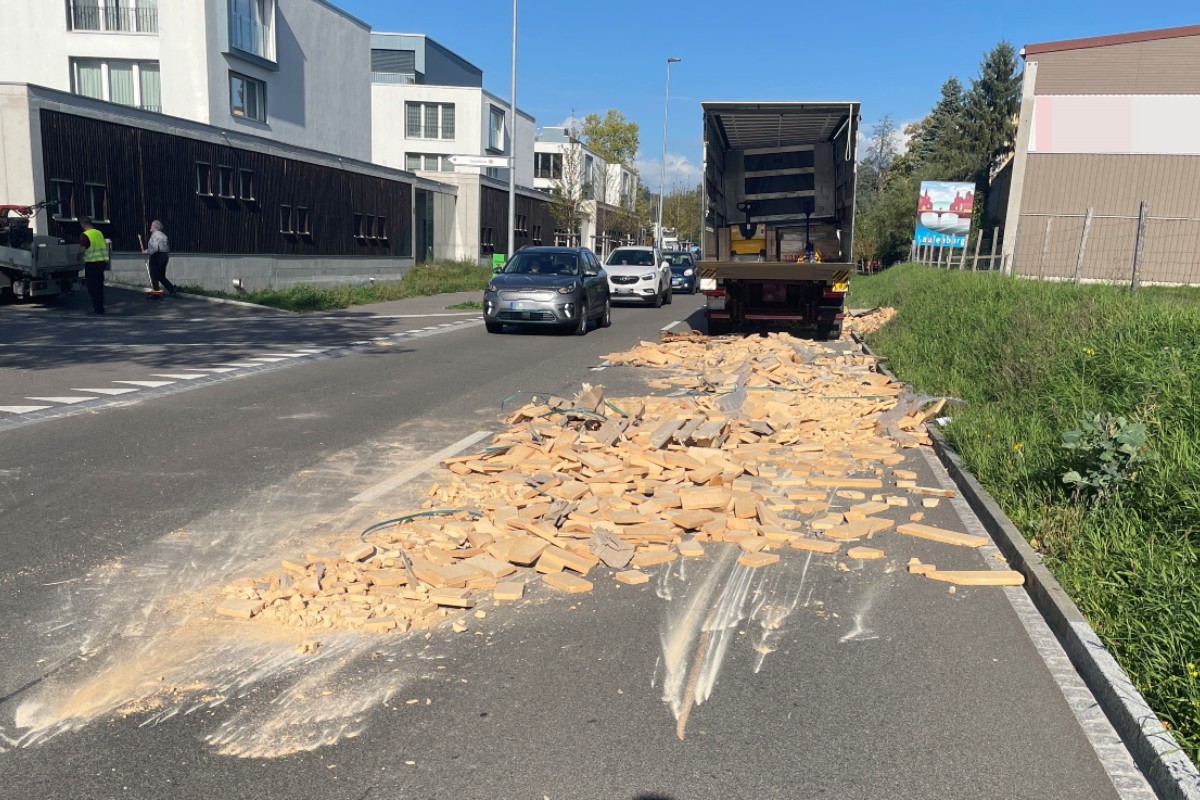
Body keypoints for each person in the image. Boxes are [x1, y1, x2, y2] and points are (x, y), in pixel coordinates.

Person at [77, 216, 109, 315]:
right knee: (99, 287)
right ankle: (100, 308)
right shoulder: (99, 232)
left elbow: (82, 249)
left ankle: (97, 309)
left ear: (83, 224)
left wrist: (78, 256)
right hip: (102, 263)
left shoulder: (85, 235)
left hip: (92, 264)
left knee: (92, 287)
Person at [143, 220, 175, 297]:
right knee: (161, 275)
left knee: (153, 275)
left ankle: (156, 294)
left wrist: (146, 252)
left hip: (156, 256)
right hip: (165, 256)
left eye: (152, 226)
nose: (150, 227)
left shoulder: (155, 235)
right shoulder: (164, 235)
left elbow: (154, 248)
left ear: (155, 227)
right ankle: (172, 289)